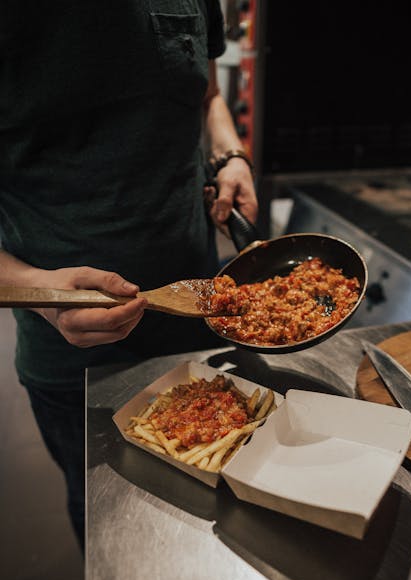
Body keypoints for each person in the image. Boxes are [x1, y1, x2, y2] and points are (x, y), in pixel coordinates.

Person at [0, 0, 258, 549]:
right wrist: (38, 294)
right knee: (112, 530)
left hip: (203, 327)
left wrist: (229, 155)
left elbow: (207, 93)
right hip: (74, 358)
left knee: (222, 522)